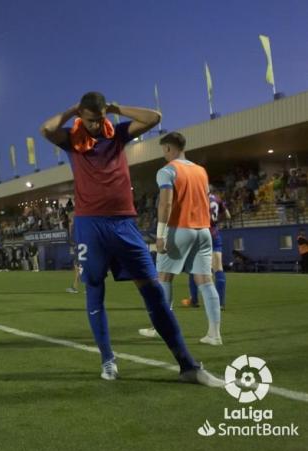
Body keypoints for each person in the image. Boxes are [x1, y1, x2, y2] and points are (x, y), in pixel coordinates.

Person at [40, 91, 220, 385]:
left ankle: (188, 366)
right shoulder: (72, 140)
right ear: (80, 117)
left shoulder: (117, 134)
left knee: (154, 292)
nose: (97, 125)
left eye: (100, 119)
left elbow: (154, 118)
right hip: (90, 225)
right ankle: (108, 360)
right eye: (90, 120)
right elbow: (45, 129)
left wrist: (116, 108)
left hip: (125, 224)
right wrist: (73, 110)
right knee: (95, 290)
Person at [137, 132, 223, 346]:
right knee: (205, 280)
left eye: (163, 150)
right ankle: (214, 334)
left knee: (164, 278)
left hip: (179, 230)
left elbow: (165, 204)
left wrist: (160, 235)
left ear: (168, 148)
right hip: (203, 231)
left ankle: (161, 328)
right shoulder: (201, 171)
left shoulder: (167, 171)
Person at [183, 188, 231, 310]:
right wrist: (215, 223)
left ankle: (194, 300)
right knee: (218, 268)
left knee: (194, 267)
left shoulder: (196, 199)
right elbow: (228, 215)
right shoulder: (217, 199)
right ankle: (220, 303)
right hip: (214, 235)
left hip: (200, 235)